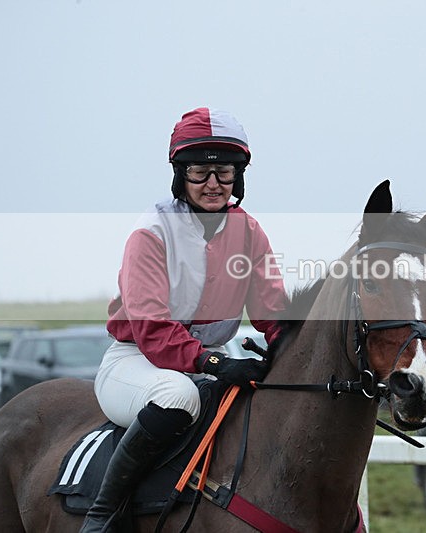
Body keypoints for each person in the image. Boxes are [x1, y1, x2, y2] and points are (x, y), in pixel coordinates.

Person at [81, 107, 289, 532]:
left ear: (238, 176)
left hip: (204, 362)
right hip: (137, 361)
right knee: (179, 397)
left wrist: (293, 349)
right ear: (180, 174)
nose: (213, 183)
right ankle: (103, 515)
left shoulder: (249, 232)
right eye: (200, 171)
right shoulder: (151, 231)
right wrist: (216, 363)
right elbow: (154, 331)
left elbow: (274, 311)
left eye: (224, 172)